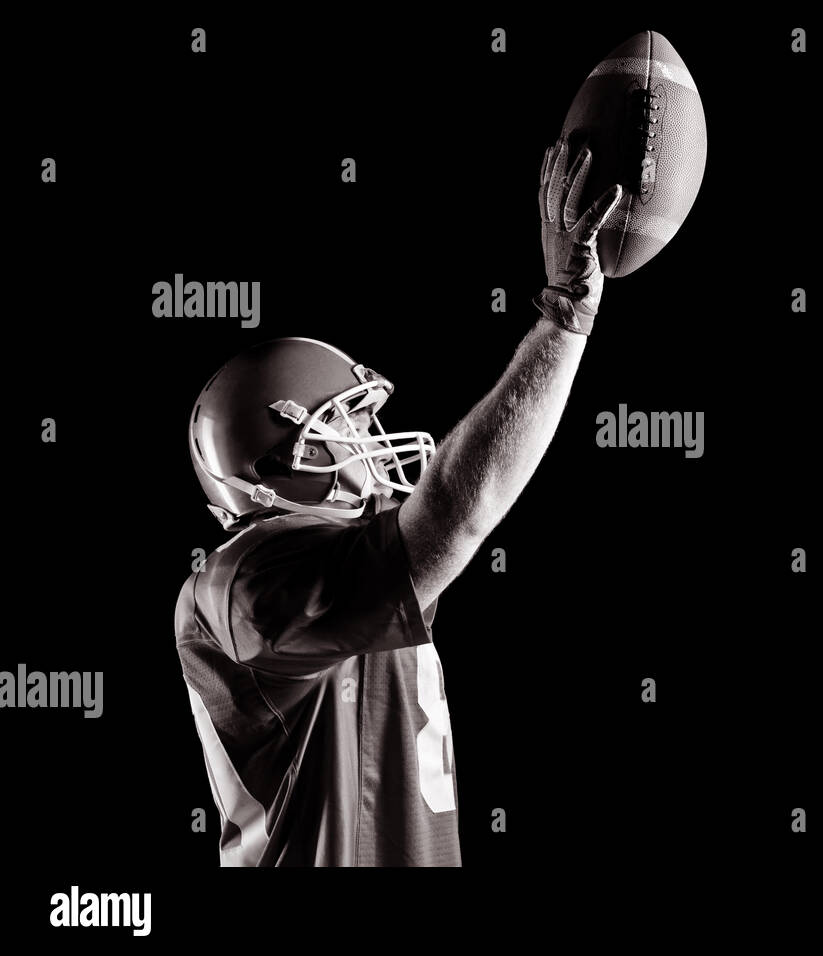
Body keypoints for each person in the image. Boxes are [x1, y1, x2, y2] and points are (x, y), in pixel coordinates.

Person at [174, 141, 622, 865]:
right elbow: (455, 510)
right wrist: (565, 316)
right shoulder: (239, 583)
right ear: (289, 454)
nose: (375, 440)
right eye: (349, 423)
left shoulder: (346, 570)